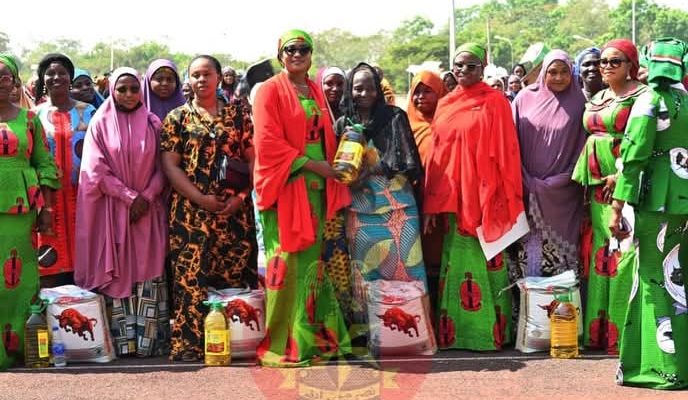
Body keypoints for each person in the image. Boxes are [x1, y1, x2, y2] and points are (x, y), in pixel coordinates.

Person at [252, 29, 351, 367]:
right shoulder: (268, 90)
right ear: (280, 55)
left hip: (317, 190)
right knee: (284, 266)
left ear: (311, 55)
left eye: (303, 49)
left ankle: (314, 342)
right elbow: (267, 142)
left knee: (312, 268)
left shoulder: (315, 89)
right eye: (290, 49)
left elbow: (325, 136)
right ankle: (284, 345)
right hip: (285, 186)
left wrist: (338, 163)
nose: (297, 55)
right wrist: (312, 164)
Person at [424, 43, 524, 351]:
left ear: (483, 68)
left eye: (472, 66)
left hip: (486, 197)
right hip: (454, 201)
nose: (464, 70)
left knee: (488, 260)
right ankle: (457, 334)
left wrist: (498, 195)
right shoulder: (446, 104)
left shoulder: (495, 101)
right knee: (457, 263)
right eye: (459, 65)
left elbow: (507, 152)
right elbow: (437, 155)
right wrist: (432, 201)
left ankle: (491, 334)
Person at [161, 55, 257, 361]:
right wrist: (201, 199)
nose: (201, 80)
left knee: (232, 276)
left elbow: (253, 158)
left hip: (234, 212)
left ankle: (235, 341)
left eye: (207, 74)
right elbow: (170, 166)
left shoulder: (239, 114)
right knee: (190, 279)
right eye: (195, 75)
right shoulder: (177, 118)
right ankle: (190, 345)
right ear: (188, 80)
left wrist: (240, 196)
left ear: (218, 77)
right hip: (191, 213)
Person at [75, 67, 169, 357]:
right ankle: (122, 343)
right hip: (113, 211)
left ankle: (149, 343)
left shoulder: (153, 123)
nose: (128, 94)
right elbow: (95, 170)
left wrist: (146, 197)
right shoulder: (99, 123)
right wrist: (128, 198)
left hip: (147, 210)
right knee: (118, 272)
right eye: (122, 89)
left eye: (133, 89)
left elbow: (165, 167)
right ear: (112, 90)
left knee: (148, 270)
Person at [612, 38, 688, 390]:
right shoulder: (686, 100)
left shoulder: (649, 101)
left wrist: (617, 206)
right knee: (678, 278)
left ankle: (659, 368)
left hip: (656, 204)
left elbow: (633, 156)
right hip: (683, 202)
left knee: (653, 278)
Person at [572, 39, 648, 354]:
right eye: (603, 61)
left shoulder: (643, 97)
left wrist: (620, 173)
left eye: (615, 61)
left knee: (624, 253)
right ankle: (599, 332)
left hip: (626, 183)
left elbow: (642, 140)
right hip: (597, 187)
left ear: (631, 64)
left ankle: (622, 334)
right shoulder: (599, 96)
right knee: (601, 253)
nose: (606, 67)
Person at [337, 62, 426, 290]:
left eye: (370, 88)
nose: (364, 93)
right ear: (350, 90)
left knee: (407, 270)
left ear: (378, 89)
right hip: (359, 211)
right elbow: (336, 166)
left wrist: (370, 168)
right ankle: (371, 316)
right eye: (358, 88)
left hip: (398, 209)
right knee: (365, 274)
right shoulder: (343, 124)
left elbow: (407, 160)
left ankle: (411, 312)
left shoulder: (394, 117)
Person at [0, 53, 59, 370]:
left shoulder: (29, 119)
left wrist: (46, 208)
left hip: (20, 212)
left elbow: (45, 164)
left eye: (4, 77)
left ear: (14, 82)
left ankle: (24, 348)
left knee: (20, 282)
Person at [510, 50, 586, 279]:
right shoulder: (524, 99)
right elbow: (511, 144)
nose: (559, 77)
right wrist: (525, 179)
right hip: (524, 189)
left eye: (564, 72)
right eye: (553, 72)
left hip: (564, 194)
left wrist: (556, 183)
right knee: (528, 257)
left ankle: (561, 302)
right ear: (544, 72)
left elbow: (583, 150)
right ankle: (528, 301)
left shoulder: (580, 104)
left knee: (560, 269)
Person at [33, 53, 97, 286]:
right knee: (50, 261)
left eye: (62, 72)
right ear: (42, 79)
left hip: (84, 196)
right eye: (50, 73)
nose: (56, 77)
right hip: (48, 198)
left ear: (70, 77)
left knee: (87, 257)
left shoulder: (89, 112)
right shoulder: (35, 115)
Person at [317, 65, 353, 325]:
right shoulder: (313, 116)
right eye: (329, 83)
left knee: (345, 261)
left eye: (340, 84)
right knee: (324, 261)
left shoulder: (352, 116)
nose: (335, 89)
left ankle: (347, 323)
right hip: (320, 196)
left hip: (350, 197)